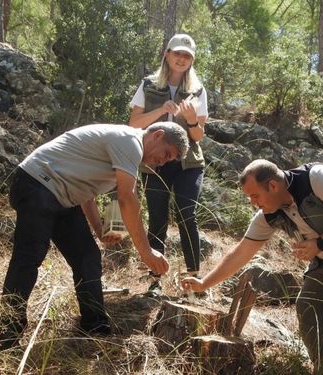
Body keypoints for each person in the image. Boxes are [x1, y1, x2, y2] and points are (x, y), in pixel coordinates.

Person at [182, 159, 323, 375]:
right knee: (308, 307)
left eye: (255, 196)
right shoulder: (268, 214)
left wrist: (319, 244)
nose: (252, 203)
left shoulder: (317, 179)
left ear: (273, 186)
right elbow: (241, 252)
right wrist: (203, 283)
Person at [0, 122, 189, 351]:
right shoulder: (130, 141)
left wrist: (99, 229)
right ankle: (8, 334)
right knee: (29, 256)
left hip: (63, 197)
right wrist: (145, 252)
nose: (163, 162)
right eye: (166, 154)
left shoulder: (127, 153)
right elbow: (128, 199)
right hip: (37, 183)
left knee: (87, 256)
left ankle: (94, 328)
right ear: (157, 135)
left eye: (169, 160)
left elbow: (87, 194)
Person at [129, 33, 208, 296]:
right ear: (167, 54)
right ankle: (155, 280)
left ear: (192, 60)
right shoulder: (148, 85)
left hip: (189, 163)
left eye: (187, 55)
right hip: (155, 161)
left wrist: (191, 119)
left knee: (187, 214)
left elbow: (198, 137)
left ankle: (195, 280)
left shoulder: (198, 90)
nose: (181, 59)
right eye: (177, 53)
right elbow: (134, 124)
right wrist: (160, 111)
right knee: (158, 217)